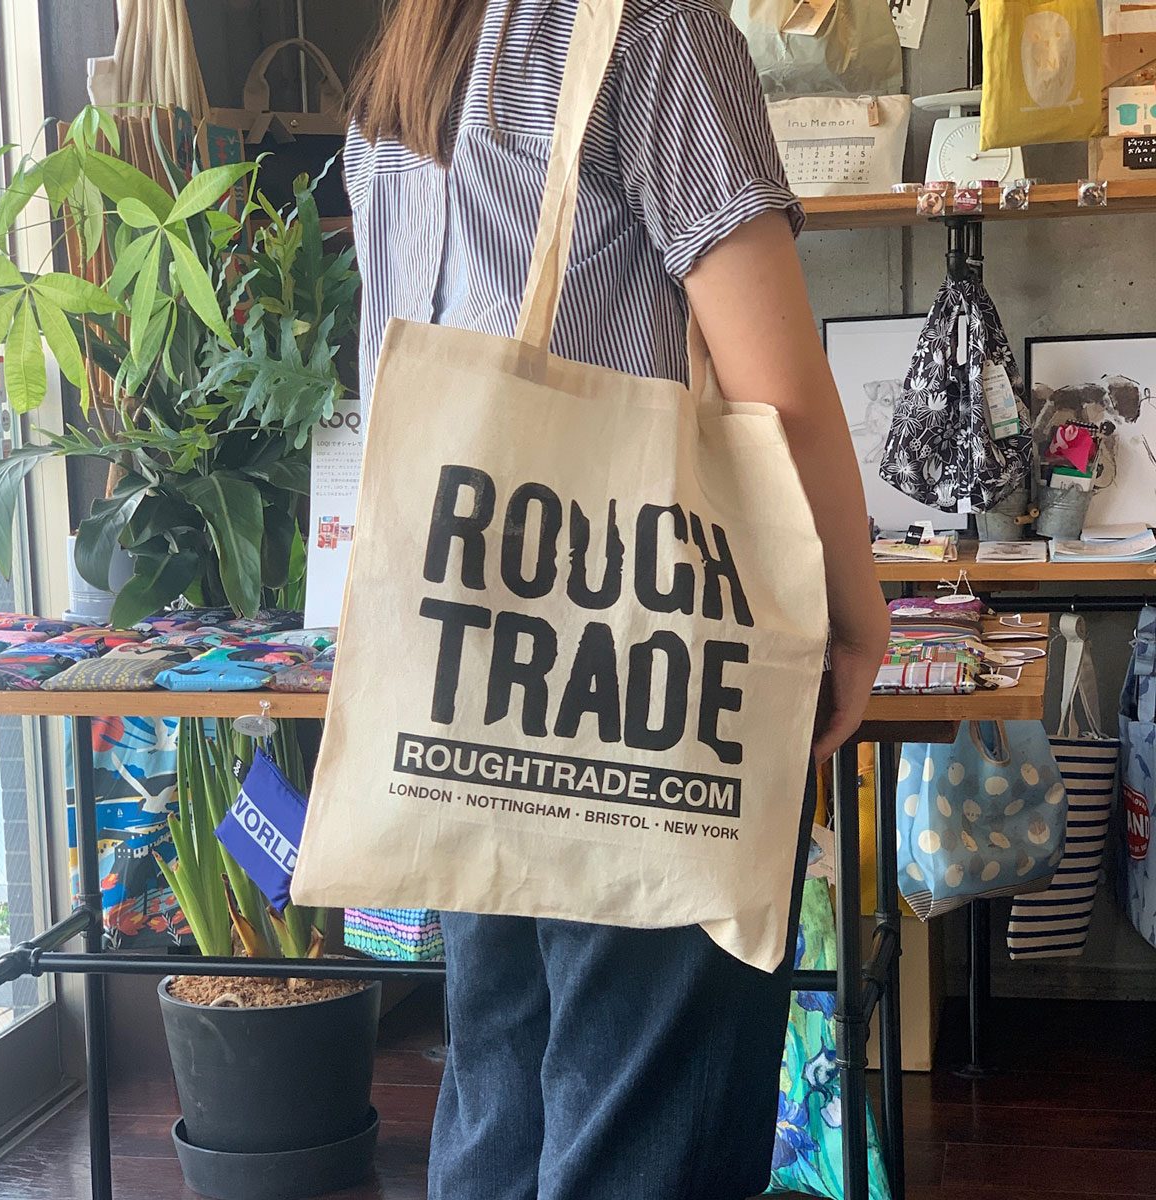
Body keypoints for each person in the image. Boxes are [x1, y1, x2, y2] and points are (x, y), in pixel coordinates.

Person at [344, 2, 889, 1197]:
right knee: (651, 1122)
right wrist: (858, 618)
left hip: (472, 667)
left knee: (502, 1090)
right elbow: (782, 403)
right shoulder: (661, 32)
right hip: (651, 667)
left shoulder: (418, 52)